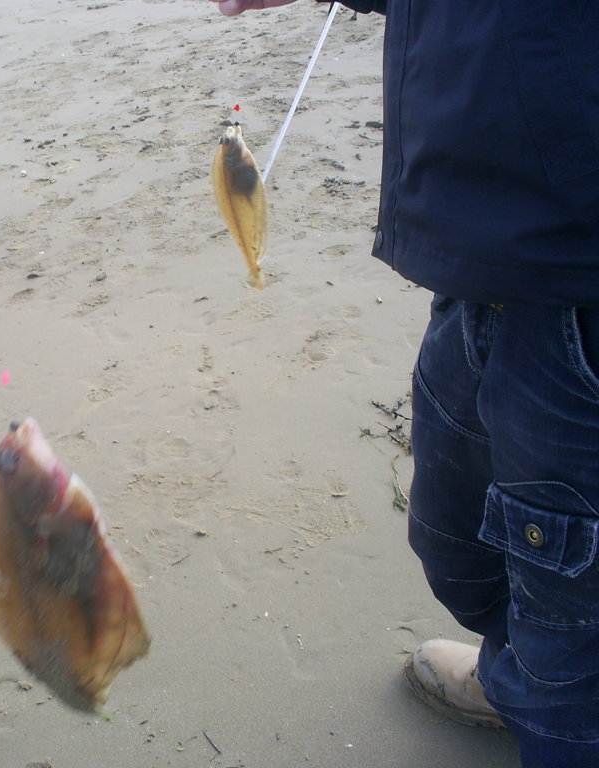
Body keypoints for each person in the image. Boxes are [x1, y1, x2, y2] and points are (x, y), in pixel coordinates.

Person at [209, 1, 599, 766]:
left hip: (575, 285)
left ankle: (560, 699)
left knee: (567, 590)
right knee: (453, 535)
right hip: (478, 262)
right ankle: (522, 673)